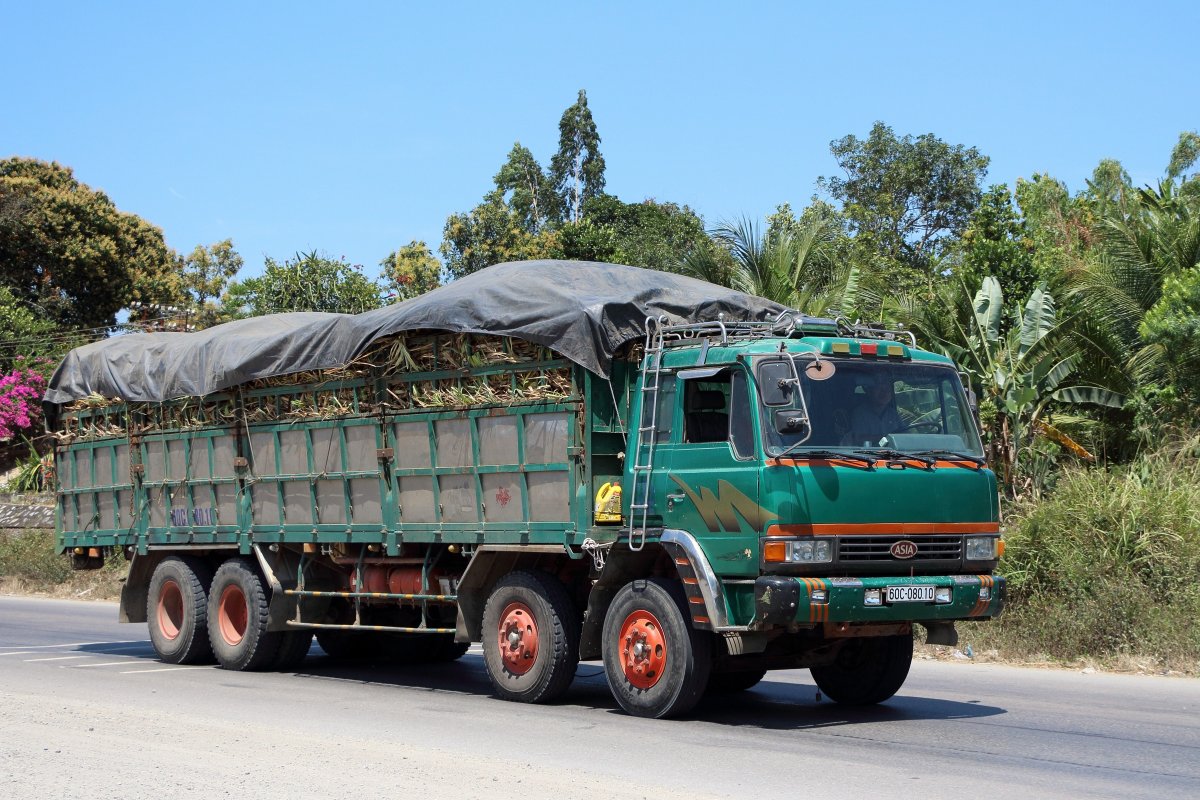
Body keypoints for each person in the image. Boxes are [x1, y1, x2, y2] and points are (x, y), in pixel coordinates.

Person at [848, 374, 902, 445]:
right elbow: (858, 438)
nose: (884, 393)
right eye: (880, 389)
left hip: (895, 451)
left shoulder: (893, 414)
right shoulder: (859, 413)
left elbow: (905, 433)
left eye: (887, 389)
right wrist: (886, 438)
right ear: (870, 391)